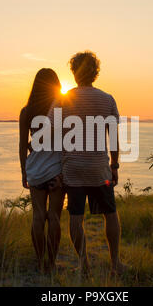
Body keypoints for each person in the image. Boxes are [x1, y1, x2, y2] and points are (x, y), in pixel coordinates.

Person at [48, 51, 127, 275]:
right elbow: (113, 137)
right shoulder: (107, 99)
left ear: (74, 72)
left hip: (73, 168)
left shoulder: (64, 99)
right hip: (98, 167)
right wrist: (114, 165)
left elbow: (51, 132)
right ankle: (115, 265)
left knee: (76, 216)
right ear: (95, 73)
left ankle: (84, 265)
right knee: (110, 213)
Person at [19, 68, 65, 273]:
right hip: (55, 170)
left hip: (36, 170)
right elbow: (67, 143)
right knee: (54, 217)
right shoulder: (62, 110)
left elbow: (22, 145)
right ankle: (52, 264)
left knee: (38, 217)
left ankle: (39, 263)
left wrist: (24, 172)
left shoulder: (26, 111)